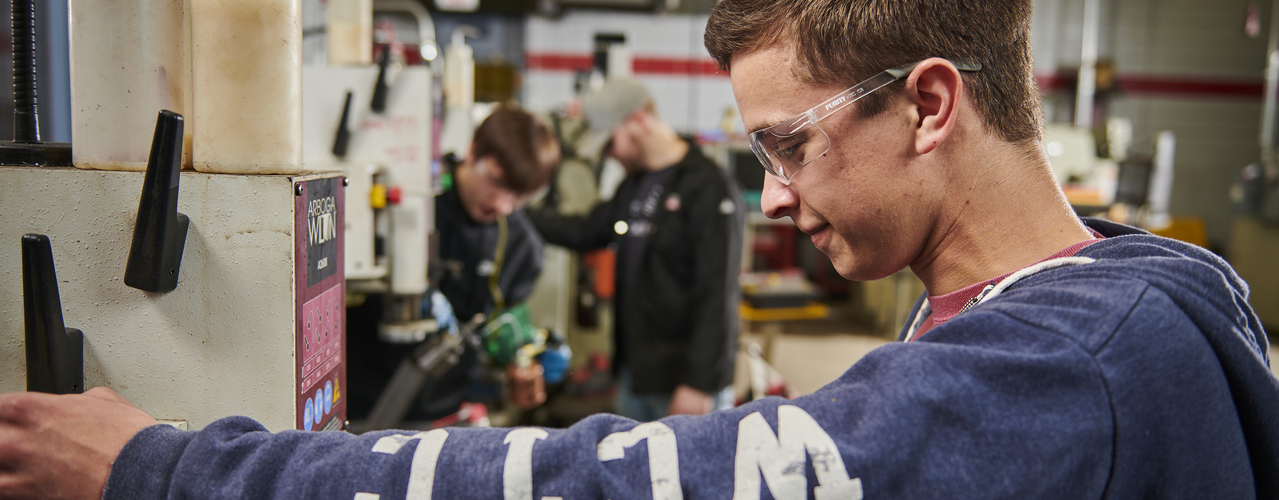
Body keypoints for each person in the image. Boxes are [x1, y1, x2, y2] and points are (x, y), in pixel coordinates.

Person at [1, 0, 1277, 498]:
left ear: (930, 104)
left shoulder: (1074, 365)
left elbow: (589, 482)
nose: (771, 196)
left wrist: (169, 468)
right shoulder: (1072, 307)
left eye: (788, 144)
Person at [526, 77, 745, 421]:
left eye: (611, 143)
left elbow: (717, 292)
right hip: (635, 377)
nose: (609, 155)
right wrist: (514, 207)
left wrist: (699, 384)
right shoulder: (634, 186)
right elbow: (585, 230)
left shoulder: (708, 187)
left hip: (684, 384)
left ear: (639, 121)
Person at [346, 103, 558, 421]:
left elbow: (502, 325)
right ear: (472, 152)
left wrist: (523, 357)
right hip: (363, 401)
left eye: (519, 196)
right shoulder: (413, 203)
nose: (502, 205)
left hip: (447, 410)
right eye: (497, 182)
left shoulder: (521, 247)